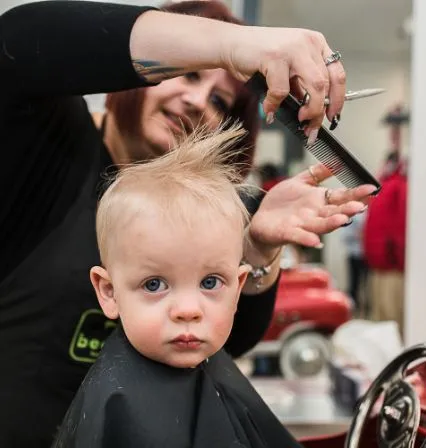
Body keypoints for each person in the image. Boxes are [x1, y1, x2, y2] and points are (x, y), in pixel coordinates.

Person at [0, 1, 375, 446]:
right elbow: (18, 42)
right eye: (190, 74)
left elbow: (225, 344)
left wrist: (254, 247)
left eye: (219, 99)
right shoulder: (52, 146)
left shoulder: (213, 207)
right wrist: (234, 47)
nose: (197, 101)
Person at [54, 125, 304, 448]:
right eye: (155, 284)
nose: (188, 310)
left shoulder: (209, 367)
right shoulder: (121, 407)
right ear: (109, 292)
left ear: (238, 286)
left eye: (210, 282)